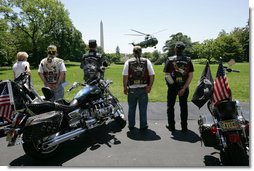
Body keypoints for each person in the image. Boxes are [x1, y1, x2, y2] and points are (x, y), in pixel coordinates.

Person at [163, 41, 194, 132]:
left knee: (170, 107)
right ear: (183, 49)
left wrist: (175, 87)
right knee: (184, 107)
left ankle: (171, 126)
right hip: (184, 87)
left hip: (172, 88)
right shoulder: (188, 60)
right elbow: (190, 75)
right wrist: (183, 88)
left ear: (175, 48)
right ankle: (184, 127)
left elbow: (167, 75)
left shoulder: (170, 59)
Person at [122, 46, 155, 131]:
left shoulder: (128, 62)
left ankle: (131, 125)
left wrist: (125, 88)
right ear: (141, 52)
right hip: (143, 89)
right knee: (143, 109)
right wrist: (150, 86)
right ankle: (143, 125)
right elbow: (152, 75)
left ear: (133, 52)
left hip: (132, 89)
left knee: (131, 108)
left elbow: (125, 77)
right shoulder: (147, 61)